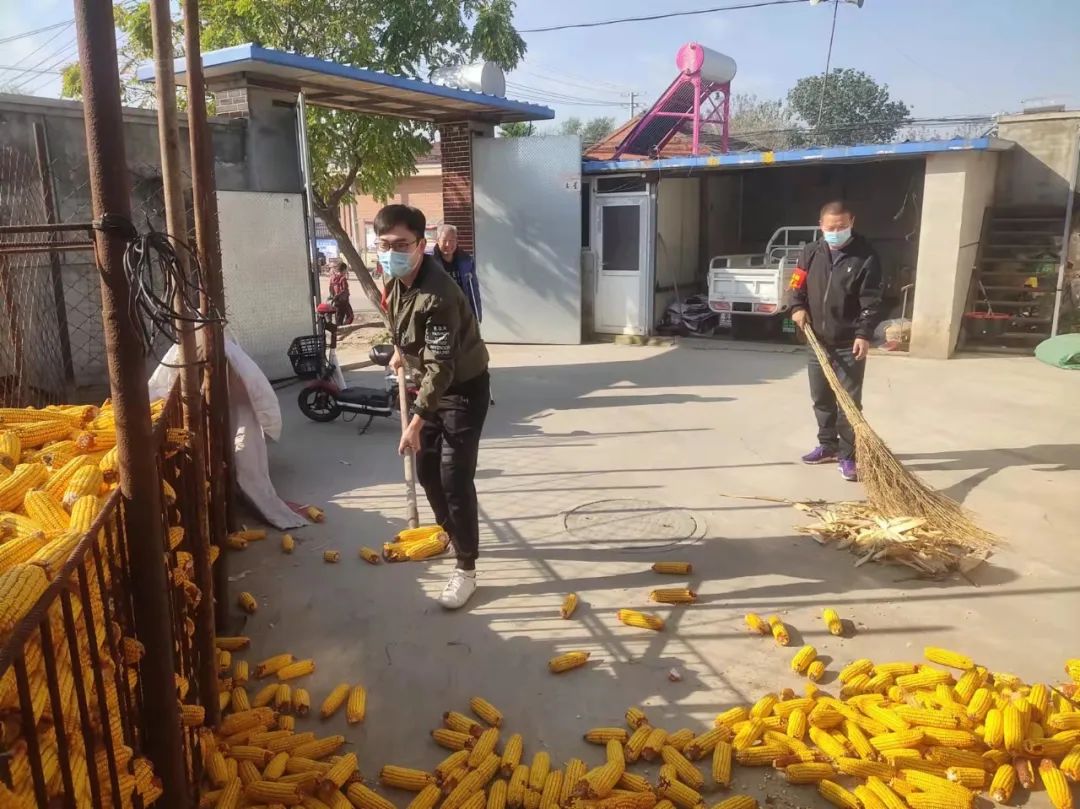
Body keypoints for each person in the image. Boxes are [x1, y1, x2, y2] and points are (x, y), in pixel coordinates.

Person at [377, 204, 491, 609]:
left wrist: (416, 422)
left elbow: (441, 367)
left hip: (461, 388)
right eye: (384, 244)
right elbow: (399, 324)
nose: (391, 251)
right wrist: (398, 350)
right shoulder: (395, 281)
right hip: (429, 382)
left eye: (401, 244)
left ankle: (467, 568)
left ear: (421, 245)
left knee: (454, 476)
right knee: (426, 470)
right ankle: (450, 533)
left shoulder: (439, 293)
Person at [790, 200, 884, 482]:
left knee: (849, 403)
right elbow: (795, 285)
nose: (836, 231)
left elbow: (872, 301)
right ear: (821, 226)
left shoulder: (865, 256)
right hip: (816, 340)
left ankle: (848, 455)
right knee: (821, 398)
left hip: (848, 342)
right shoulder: (810, 252)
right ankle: (827, 445)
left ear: (852, 222)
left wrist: (863, 334)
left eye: (841, 227)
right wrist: (796, 307)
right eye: (830, 228)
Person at [432, 224, 482, 323]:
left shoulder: (466, 261)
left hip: (462, 313)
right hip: (441, 314)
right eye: (444, 240)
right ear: (438, 241)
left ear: (456, 241)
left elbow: (474, 290)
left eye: (451, 240)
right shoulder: (430, 262)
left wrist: (477, 315)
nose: (448, 244)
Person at [327, 259, 354, 325]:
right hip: (344, 301)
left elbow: (330, 288)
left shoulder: (332, 278)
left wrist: (333, 296)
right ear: (344, 269)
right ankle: (344, 327)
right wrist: (340, 295)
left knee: (338, 317)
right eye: (346, 269)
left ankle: (338, 330)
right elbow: (344, 289)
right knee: (350, 316)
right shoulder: (343, 278)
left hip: (336, 301)